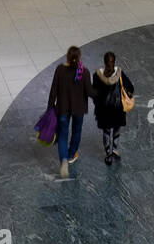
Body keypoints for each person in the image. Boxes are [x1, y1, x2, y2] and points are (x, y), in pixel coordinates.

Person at [48, 45, 91, 178]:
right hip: (79, 109)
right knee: (77, 131)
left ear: (67, 57)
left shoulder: (60, 70)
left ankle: (64, 161)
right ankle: (72, 154)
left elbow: (53, 90)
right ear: (79, 58)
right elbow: (90, 92)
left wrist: (50, 108)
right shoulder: (85, 72)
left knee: (62, 135)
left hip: (63, 109)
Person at [91, 51, 135, 166]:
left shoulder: (97, 75)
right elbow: (130, 87)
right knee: (116, 130)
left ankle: (108, 154)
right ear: (114, 62)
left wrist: (98, 104)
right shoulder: (119, 74)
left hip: (103, 110)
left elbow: (94, 93)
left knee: (106, 132)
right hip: (117, 108)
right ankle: (115, 148)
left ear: (104, 62)